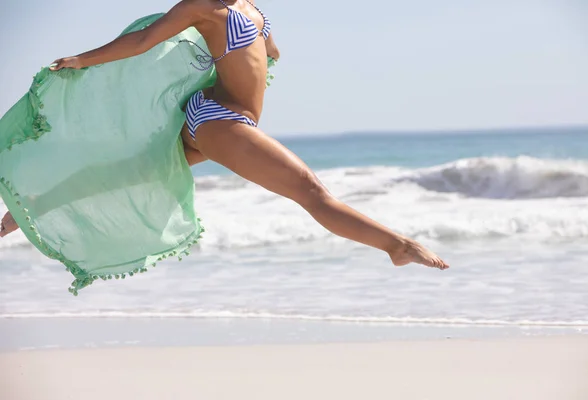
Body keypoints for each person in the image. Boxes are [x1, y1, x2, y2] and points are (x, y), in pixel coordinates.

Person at [0, 0, 449, 270]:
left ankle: (28, 205)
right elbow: (143, 43)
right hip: (219, 119)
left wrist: (256, 56)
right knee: (311, 191)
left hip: (225, 117)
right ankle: (397, 245)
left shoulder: (249, 7)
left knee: (129, 172)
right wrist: (80, 60)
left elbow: (270, 51)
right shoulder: (203, 7)